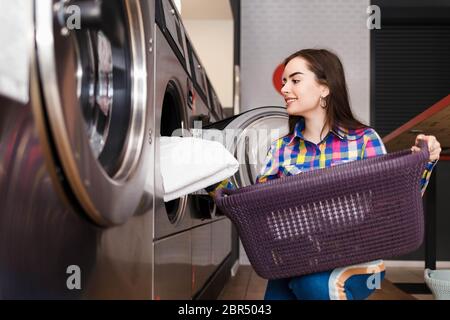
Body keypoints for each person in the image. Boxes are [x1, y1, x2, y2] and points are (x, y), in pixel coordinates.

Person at [210, 48, 442, 300]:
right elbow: (263, 215)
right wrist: (224, 193)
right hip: (297, 258)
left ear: (325, 87)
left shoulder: (363, 140)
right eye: (284, 82)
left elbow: (395, 200)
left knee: (311, 284)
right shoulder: (281, 149)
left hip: (357, 258)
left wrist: (425, 160)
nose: (285, 89)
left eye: (295, 80)